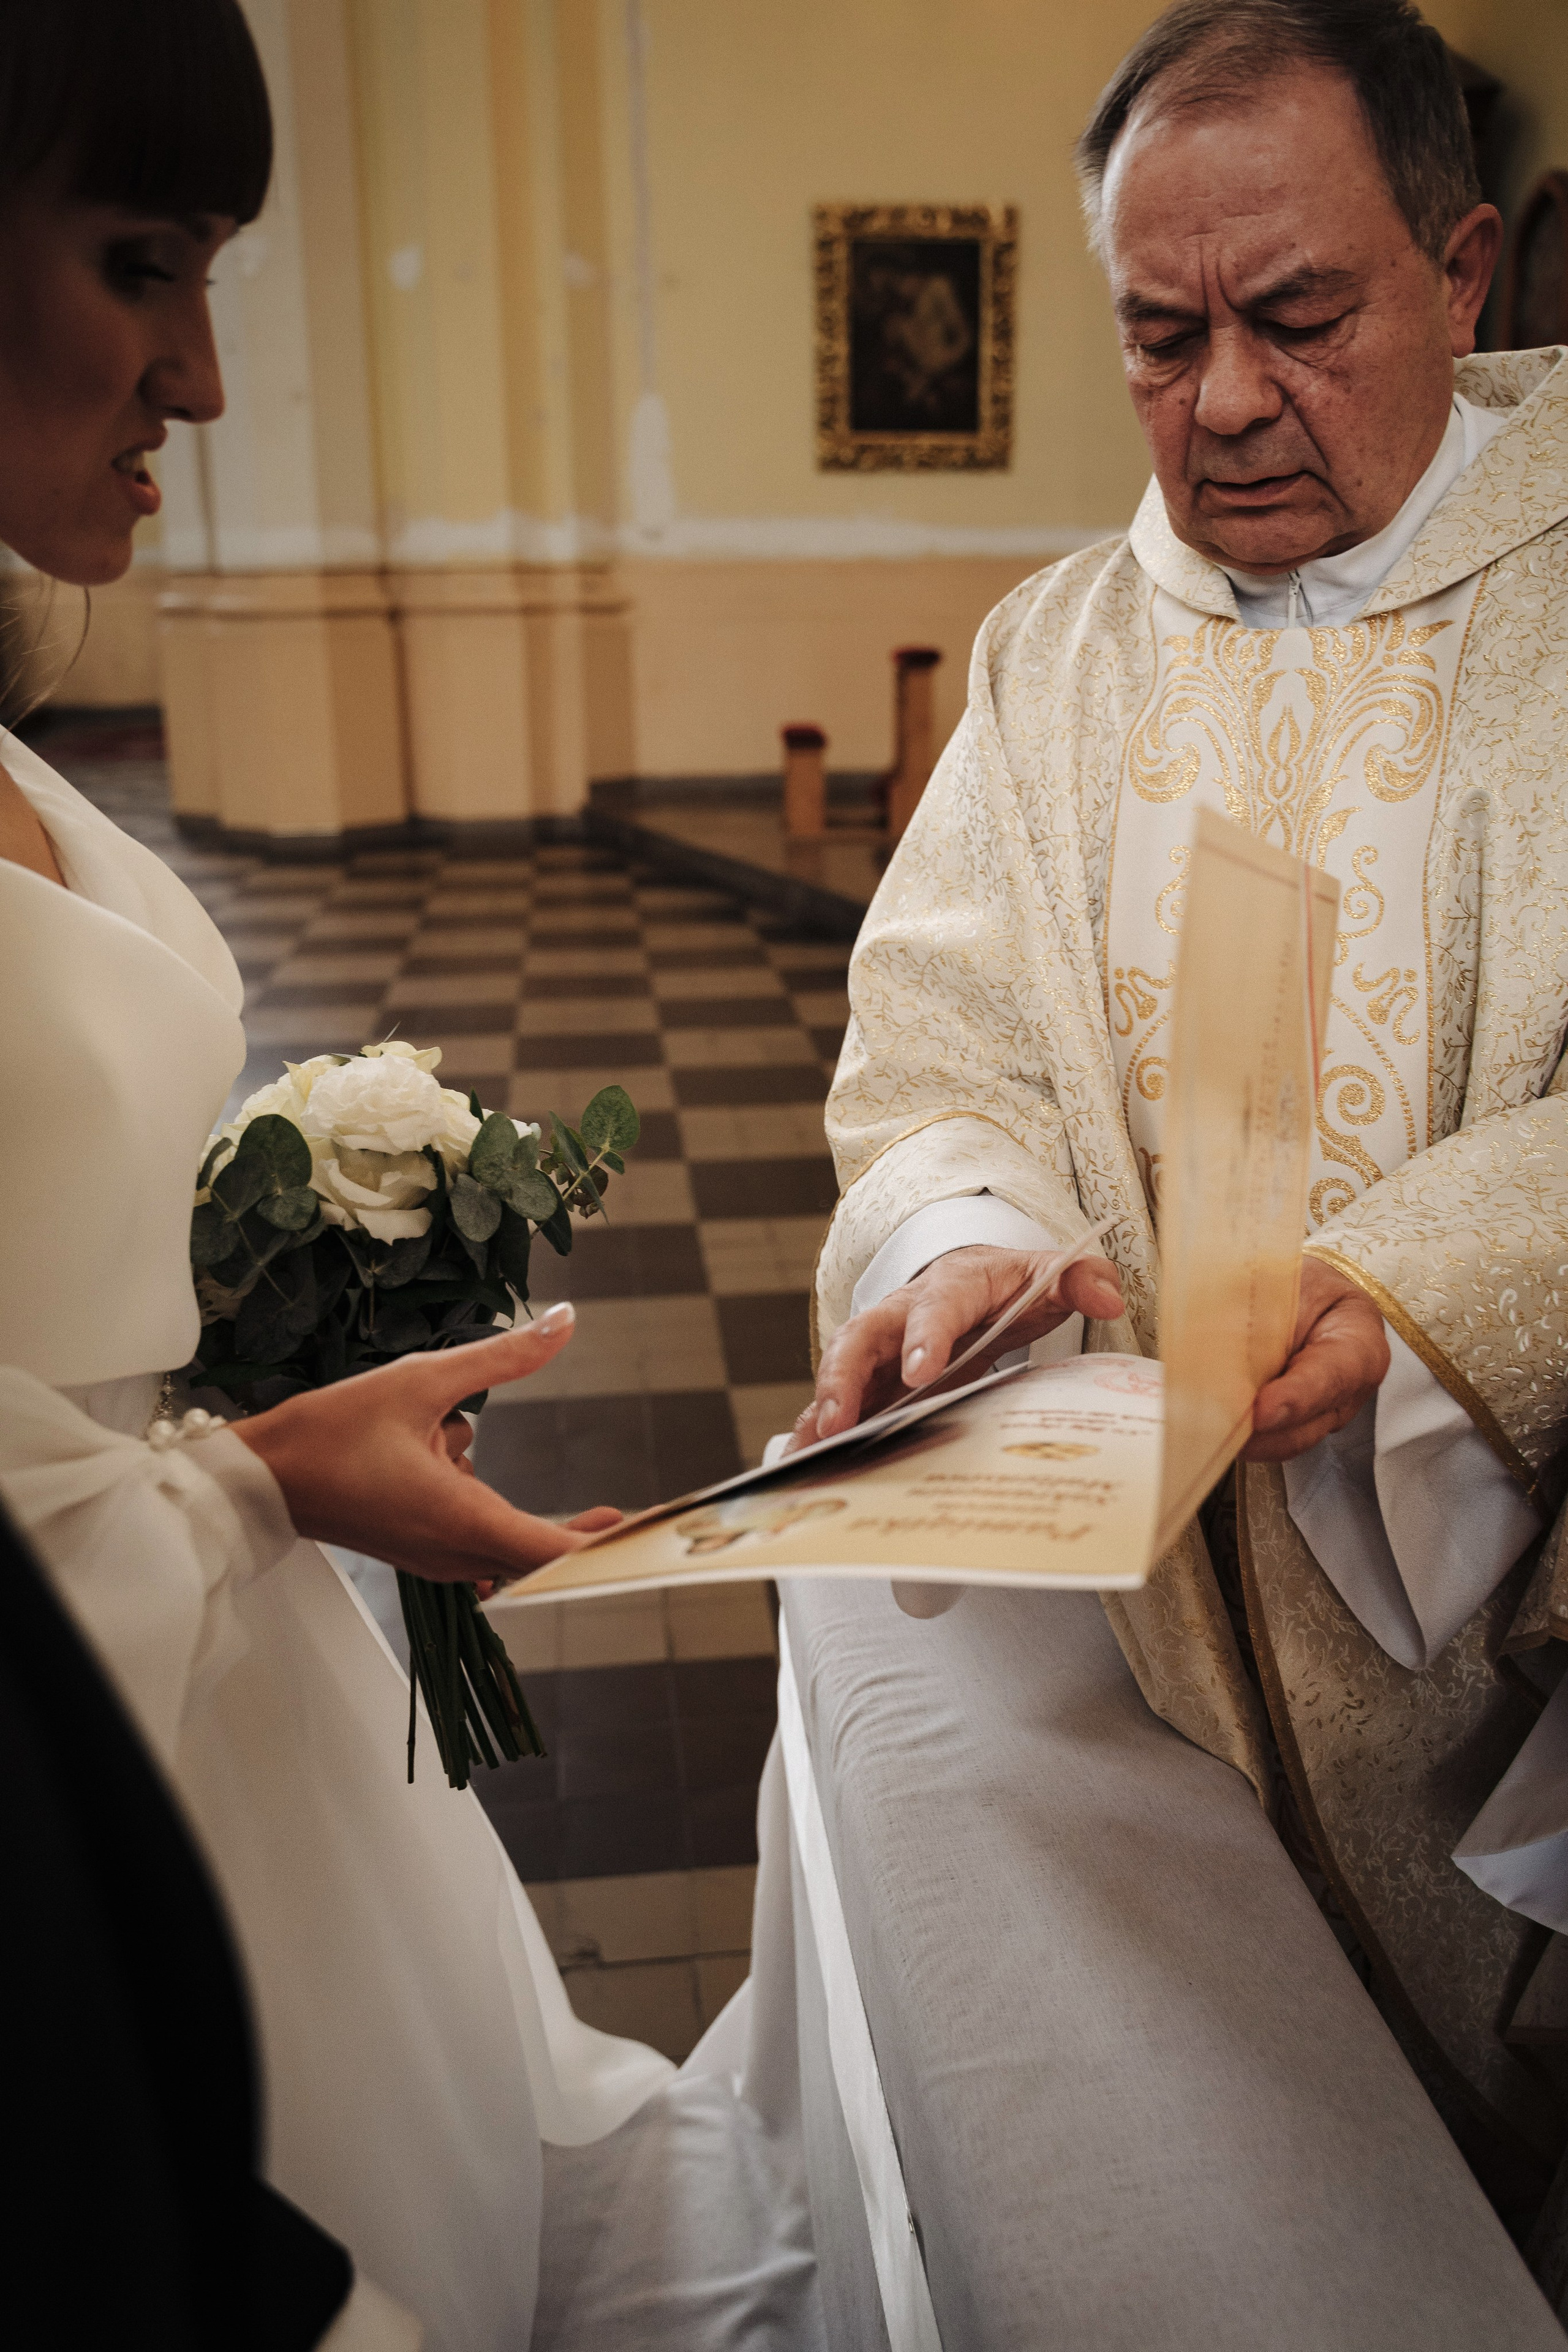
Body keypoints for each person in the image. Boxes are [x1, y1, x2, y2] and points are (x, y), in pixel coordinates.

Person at [0, 7, 821, 2347]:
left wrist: (262, 1349)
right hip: (83, 1786)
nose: (201, 379)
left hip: (231, 1676)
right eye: (139, 263)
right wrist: (255, 1478)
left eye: (215, 274)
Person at [780, 0, 1568, 2319]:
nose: (1223, 401)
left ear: (1462, 272)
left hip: (1494, 1633)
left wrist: (1425, 1283)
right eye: (1160, 335)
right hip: (1156, 1650)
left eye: (1300, 319)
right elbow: (942, 1039)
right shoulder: (1058, 655)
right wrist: (967, 1237)